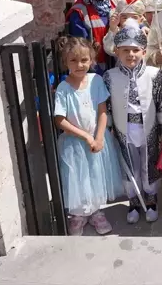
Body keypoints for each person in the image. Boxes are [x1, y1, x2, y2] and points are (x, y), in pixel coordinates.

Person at [53, 37, 125, 236]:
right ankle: (78, 215)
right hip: (74, 144)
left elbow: (102, 111)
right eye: (73, 61)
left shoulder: (96, 81)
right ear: (65, 62)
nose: (79, 65)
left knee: (96, 176)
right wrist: (85, 136)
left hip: (97, 140)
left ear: (91, 60)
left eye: (84, 60)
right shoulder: (63, 88)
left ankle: (95, 212)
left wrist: (99, 137)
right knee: (78, 178)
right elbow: (60, 120)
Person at [105, 19, 162, 224]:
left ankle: (151, 200)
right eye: (125, 50)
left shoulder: (155, 75)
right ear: (117, 52)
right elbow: (106, 106)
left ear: (143, 51)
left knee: (148, 164)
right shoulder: (110, 76)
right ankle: (133, 201)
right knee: (129, 166)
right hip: (124, 130)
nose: (130, 55)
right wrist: (109, 130)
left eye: (135, 50)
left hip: (149, 128)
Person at [65, 0, 117, 74]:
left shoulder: (114, 3)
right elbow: (80, 48)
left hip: (118, 66)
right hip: (94, 70)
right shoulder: (78, 13)